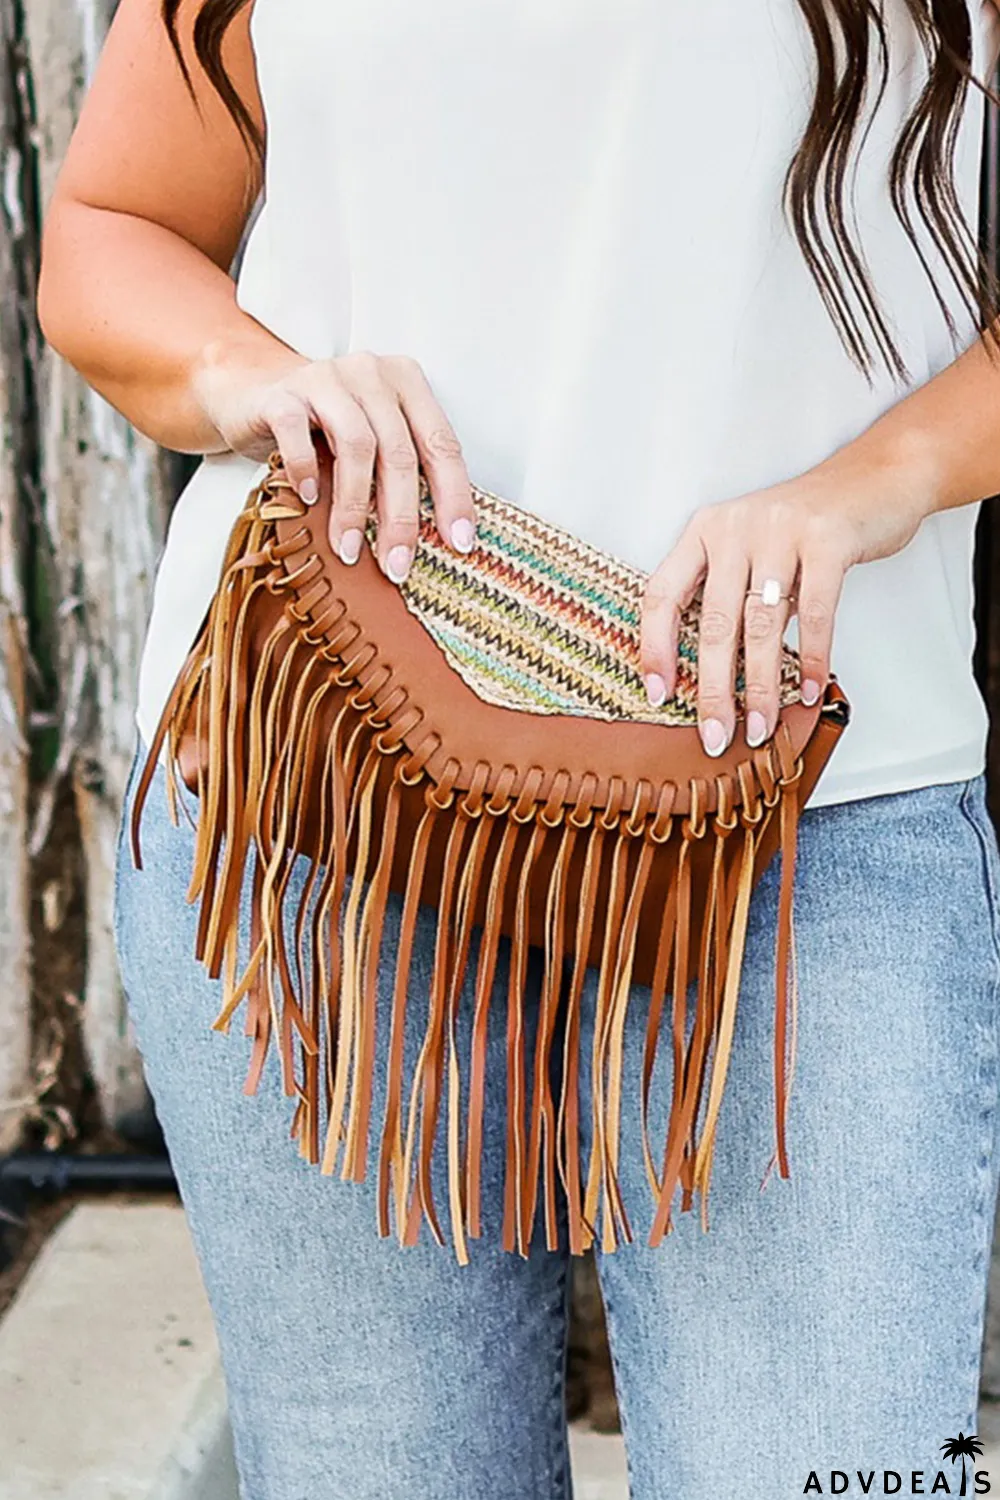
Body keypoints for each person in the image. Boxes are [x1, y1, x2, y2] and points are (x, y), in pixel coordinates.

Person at [36, 1, 1000, 1496]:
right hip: (324, 788)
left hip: (804, 838)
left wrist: (874, 482)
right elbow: (115, 226)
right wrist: (254, 374)